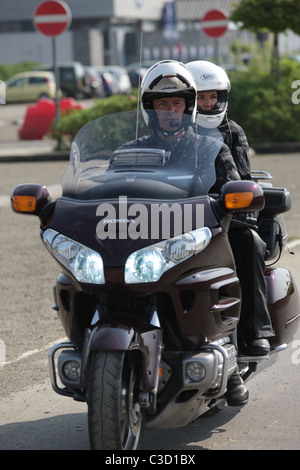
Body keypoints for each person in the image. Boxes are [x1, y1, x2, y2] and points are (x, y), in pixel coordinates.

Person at [123, 59, 249, 406]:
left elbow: (232, 187)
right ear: (150, 108)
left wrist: (231, 201)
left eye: (176, 103)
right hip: (147, 241)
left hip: (198, 238)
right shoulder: (130, 151)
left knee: (216, 281)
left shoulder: (211, 147)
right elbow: (106, 194)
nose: (170, 111)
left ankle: (231, 364)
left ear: (188, 106)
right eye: (162, 104)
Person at [186, 60, 274, 357]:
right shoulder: (173, 130)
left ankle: (255, 331)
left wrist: (240, 214)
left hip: (223, 219)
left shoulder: (232, 131)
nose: (208, 104)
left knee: (249, 243)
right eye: (201, 97)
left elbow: (243, 180)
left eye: (214, 97)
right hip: (179, 220)